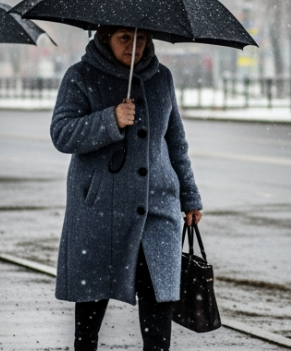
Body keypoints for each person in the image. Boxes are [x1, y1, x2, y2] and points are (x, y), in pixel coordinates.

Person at [50, 26, 203, 351]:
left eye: (141, 39)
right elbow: (61, 133)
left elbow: (176, 142)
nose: (134, 46)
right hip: (99, 210)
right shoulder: (80, 76)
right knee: (90, 313)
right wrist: (111, 119)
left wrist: (189, 196)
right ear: (106, 38)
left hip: (156, 210)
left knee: (158, 307)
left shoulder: (161, 78)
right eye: (124, 38)